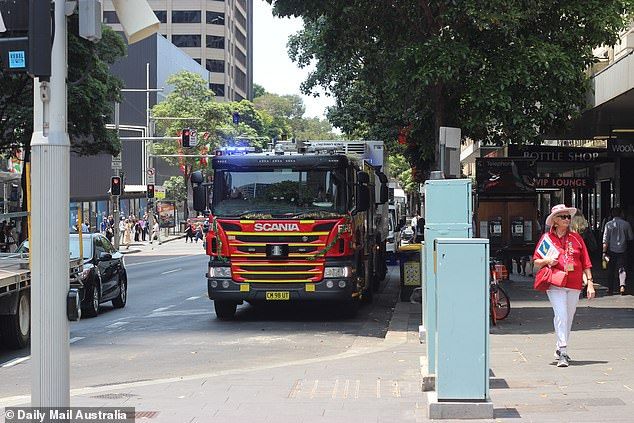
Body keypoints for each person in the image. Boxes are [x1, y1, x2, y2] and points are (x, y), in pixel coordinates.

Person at [533, 204, 595, 368]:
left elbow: (586, 262)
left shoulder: (576, 238)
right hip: (555, 282)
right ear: (555, 220)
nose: (567, 219)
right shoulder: (547, 239)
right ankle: (563, 350)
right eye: (563, 216)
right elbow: (536, 261)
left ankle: (559, 347)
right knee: (561, 314)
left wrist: (590, 282)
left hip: (574, 282)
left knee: (569, 315)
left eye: (568, 216)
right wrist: (547, 260)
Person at [602, 207, 634, 295]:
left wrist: (604, 252)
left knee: (611, 269)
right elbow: (631, 237)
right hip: (623, 249)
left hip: (611, 250)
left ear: (612, 214)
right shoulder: (626, 224)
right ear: (621, 214)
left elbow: (605, 239)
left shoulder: (608, 224)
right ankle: (622, 286)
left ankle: (610, 288)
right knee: (622, 268)